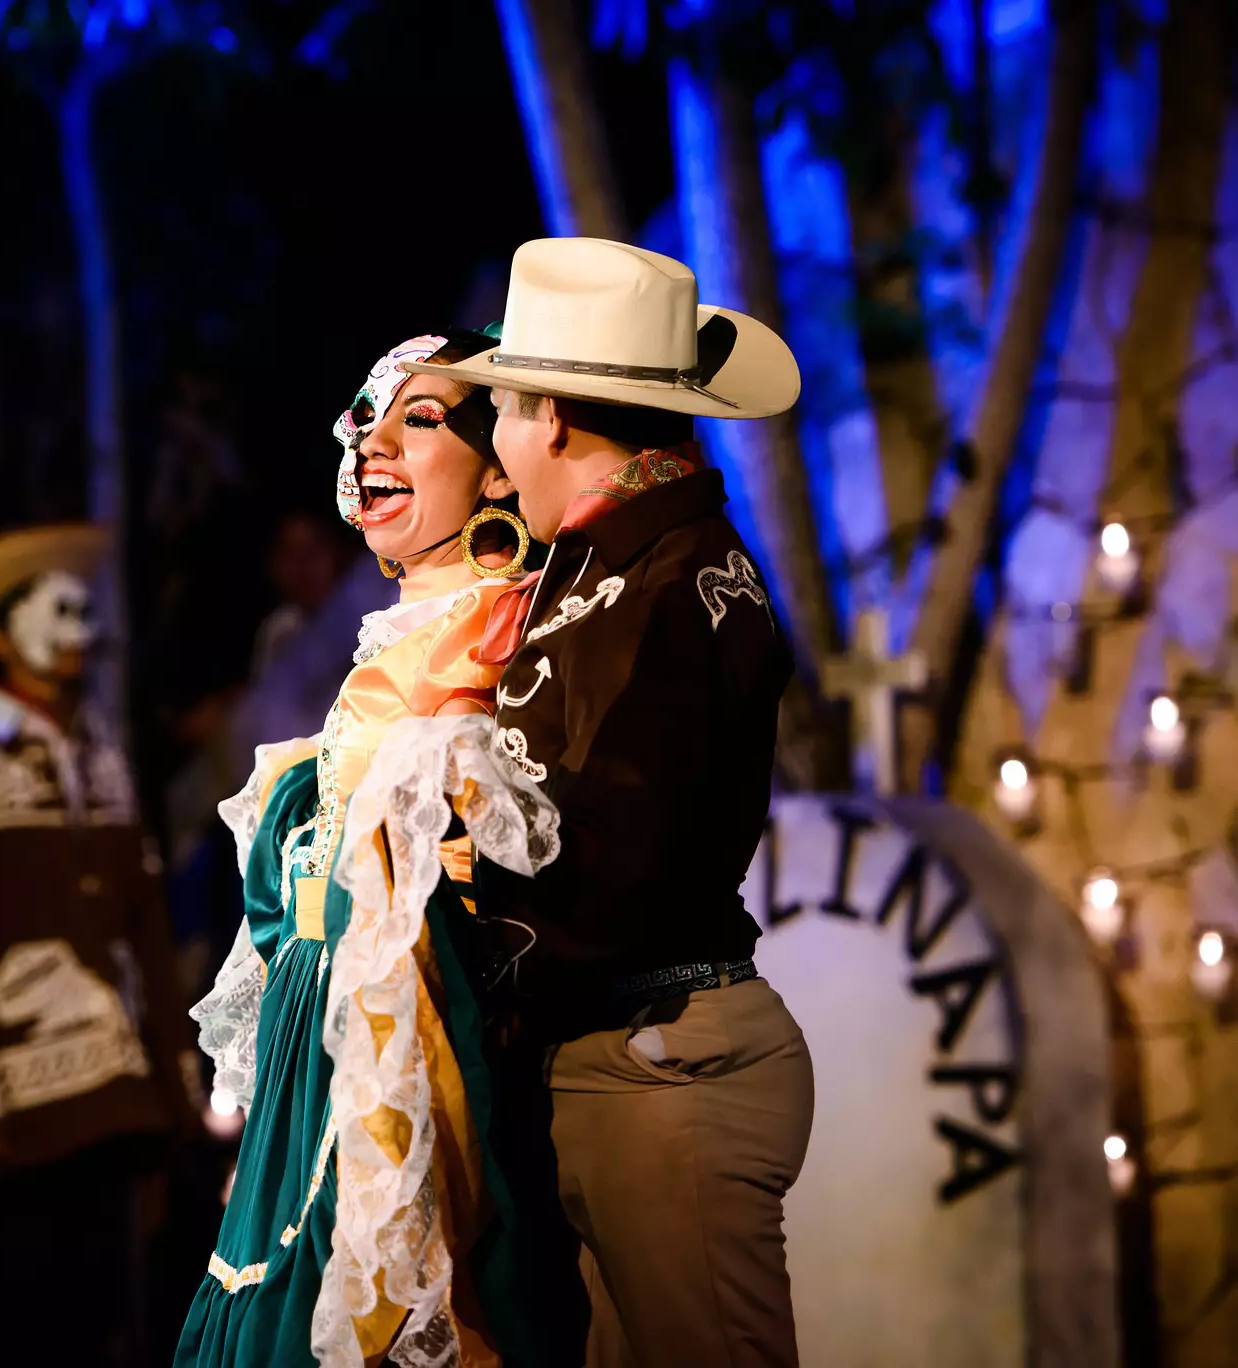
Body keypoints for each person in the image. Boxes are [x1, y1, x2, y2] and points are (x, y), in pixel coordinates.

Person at [406, 237, 816, 1367]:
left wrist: (448, 923)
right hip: (615, 1059)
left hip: (659, 1062)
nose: (491, 446)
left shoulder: (671, 588)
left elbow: (615, 860)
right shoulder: (609, 564)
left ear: (552, 421)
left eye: (501, 411)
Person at [177, 332, 561, 1368]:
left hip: (419, 1049)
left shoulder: (498, 639)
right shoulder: (400, 641)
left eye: (421, 418)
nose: (372, 441)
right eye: (363, 417)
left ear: (497, 469)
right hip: (323, 1046)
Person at [0, 523, 201, 1367]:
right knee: (20, 1325)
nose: (76, 626)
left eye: (82, 609)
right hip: (14, 1119)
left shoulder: (105, 761)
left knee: (109, 1326)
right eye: (52, 610)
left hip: (119, 1111)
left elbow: (145, 932)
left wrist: (176, 1094)